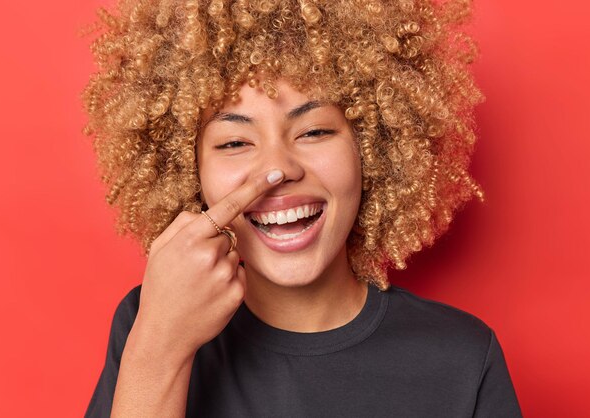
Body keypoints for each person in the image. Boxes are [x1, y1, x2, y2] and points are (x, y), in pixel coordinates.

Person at [82, 0, 521, 416]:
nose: (277, 170)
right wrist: (159, 350)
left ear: (375, 148)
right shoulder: (152, 322)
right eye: (235, 142)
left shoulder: (461, 358)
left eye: (313, 132)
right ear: (187, 170)